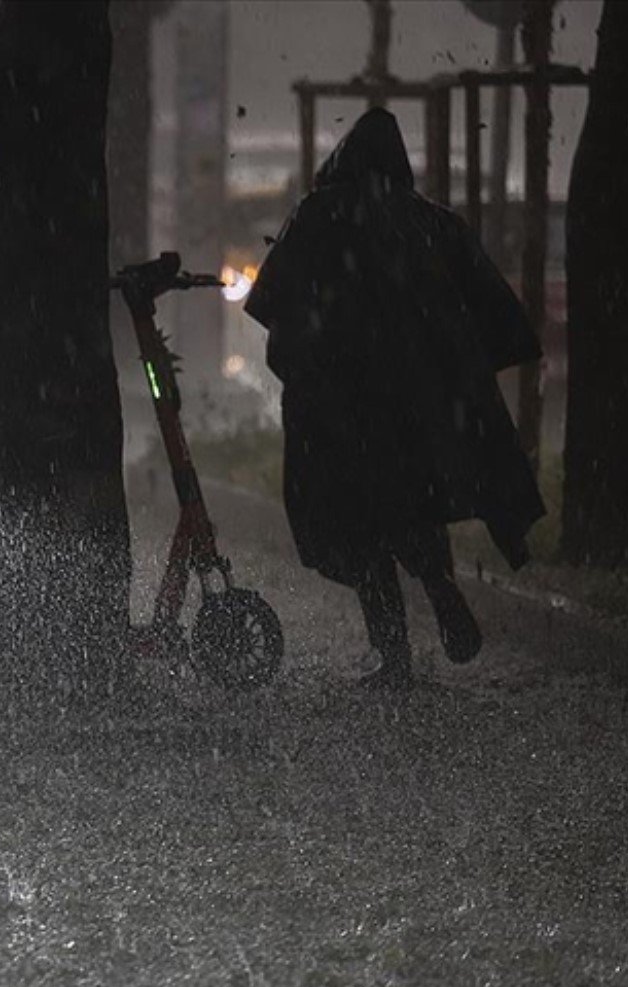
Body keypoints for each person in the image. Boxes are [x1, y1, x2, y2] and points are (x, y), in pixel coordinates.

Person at [244, 108, 544, 688]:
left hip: (338, 402)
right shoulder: (431, 223)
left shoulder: (318, 215)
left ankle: (395, 656)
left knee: (357, 527)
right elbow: (489, 313)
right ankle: (440, 585)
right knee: (411, 504)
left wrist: (305, 372)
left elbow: (277, 306)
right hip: (414, 405)